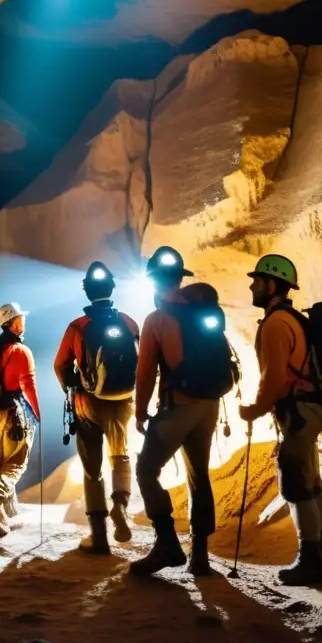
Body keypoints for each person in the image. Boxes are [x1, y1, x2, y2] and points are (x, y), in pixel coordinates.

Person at [238, 254, 322, 586]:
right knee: (311, 481)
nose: (252, 287)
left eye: (257, 281)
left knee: (295, 484)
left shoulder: (276, 324)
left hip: (297, 411)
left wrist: (254, 409)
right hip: (310, 408)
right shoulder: (293, 319)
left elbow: (275, 379)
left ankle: (311, 560)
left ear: (271, 284)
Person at [131, 246, 220, 576]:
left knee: (146, 470)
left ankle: (167, 543)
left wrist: (140, 412)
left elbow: (146, 372)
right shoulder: (202, 313)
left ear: (153, 281)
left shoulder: (157, 319)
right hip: (210, 406)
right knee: (199, 475)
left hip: (179, 406)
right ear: (179, 279)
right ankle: (200, 556)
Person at [54, 261, 140, 554]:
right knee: (121, 456)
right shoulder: (128, 322)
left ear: (87, 292)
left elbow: (60, 365)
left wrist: (72, 388)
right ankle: (121, 506)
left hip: (87, 404)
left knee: (92, 470)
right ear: (112, 288)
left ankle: (100, 536)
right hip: (123, 402)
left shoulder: (78, 327)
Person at [0, 302, 42, 536]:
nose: (23, 324)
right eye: (21, 320)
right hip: (12, 413)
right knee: (15, 464)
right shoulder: (20, 351)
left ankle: (4, 516)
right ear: (13, 323)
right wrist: (36, 412)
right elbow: (28, 384)